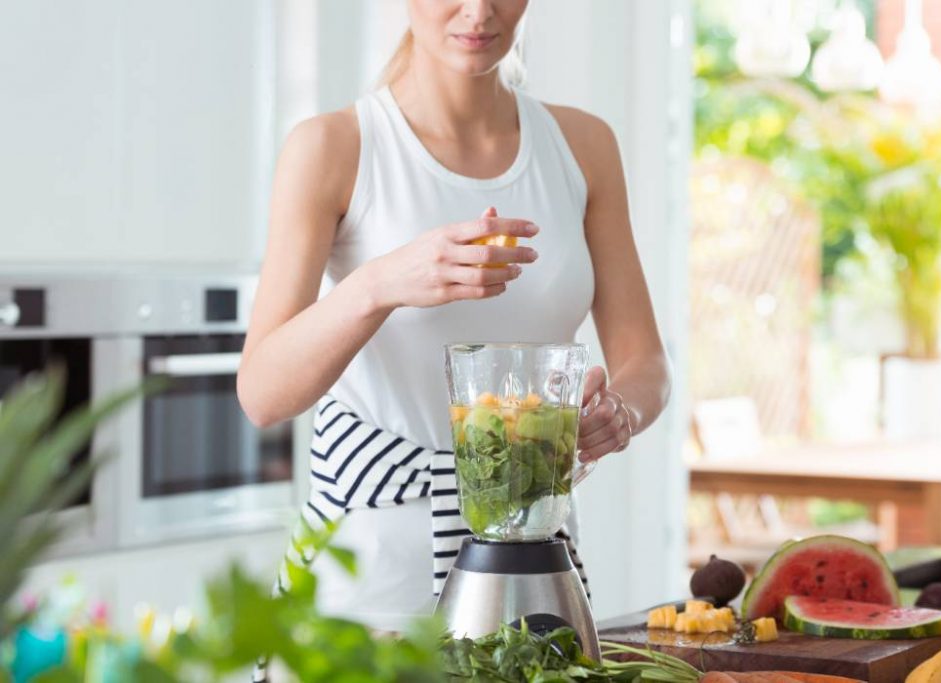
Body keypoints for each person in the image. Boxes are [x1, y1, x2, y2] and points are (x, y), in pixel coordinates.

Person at [238, 0, 670, 638]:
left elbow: (647, 362)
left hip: (532, 575)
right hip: (367, 585)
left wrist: (621, 413)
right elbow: (263, 393)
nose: (479, 12)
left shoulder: (583, 145)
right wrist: (382, 283)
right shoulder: (333, 147)